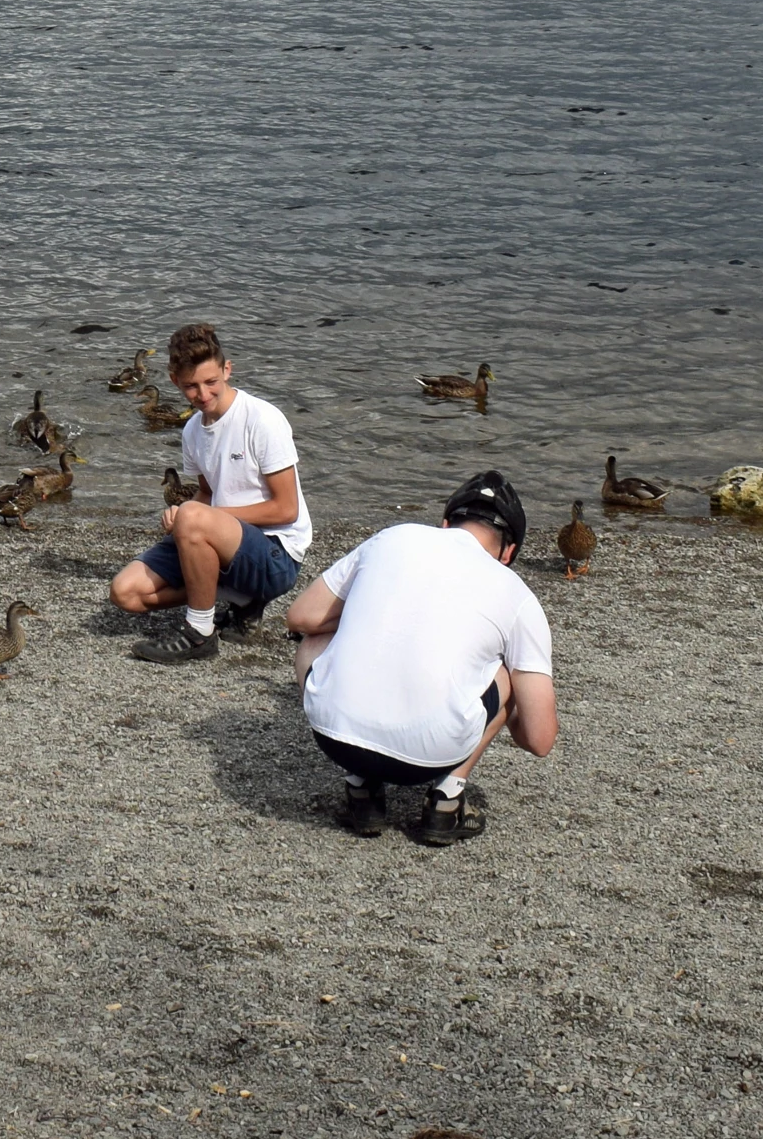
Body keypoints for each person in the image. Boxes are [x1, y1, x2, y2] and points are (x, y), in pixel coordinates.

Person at [285, 471, 558, 846]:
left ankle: (361, 791)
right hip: (431, 755)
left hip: (336, 738)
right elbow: (541, 740)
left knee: (314, 643)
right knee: (508, 673)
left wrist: (371, 610)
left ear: (445, 524)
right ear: (508, 553)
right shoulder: (516, 594)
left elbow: (301, 616)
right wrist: (506, 713)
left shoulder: (393, 537)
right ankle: (445, 801)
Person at [110, 323, 313, 664]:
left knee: (191, 514)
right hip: (221, 542)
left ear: (227, 369)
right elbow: (206, 493)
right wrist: (187, 515)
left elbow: (286, 509)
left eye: (211, 382)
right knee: (125, 593)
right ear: (175, 381)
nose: (202, 395)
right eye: (191, 386)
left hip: (276, 555)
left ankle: (200, 632)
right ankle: (237, 597)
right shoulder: (192, 430)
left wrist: (200, 517)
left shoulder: (262, 419)